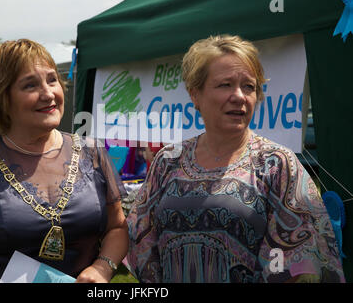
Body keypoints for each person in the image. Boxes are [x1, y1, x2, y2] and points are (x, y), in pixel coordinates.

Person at [126, 35, 345, 283]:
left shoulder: (277, 164)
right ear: (195, 94)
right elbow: (140, 235)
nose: (239, 96)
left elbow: (301, 259)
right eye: (225, 85)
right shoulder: (168, 160)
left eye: (249, 87)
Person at [0, 39, 128, 283]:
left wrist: (102, 267)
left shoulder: (92, 153)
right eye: (30, 85)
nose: (48, 93)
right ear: (3, 98)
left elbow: (118, 227)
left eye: (52, 80)